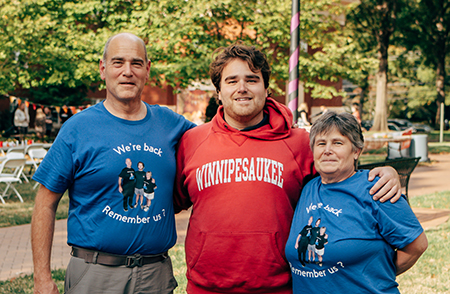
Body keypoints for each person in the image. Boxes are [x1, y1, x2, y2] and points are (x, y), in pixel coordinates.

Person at [174, 43, 402, 294]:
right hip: (206, 287)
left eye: (252, 79)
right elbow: (170, 203)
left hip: (279, 286)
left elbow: (342, 184)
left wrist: (385, 173)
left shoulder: (300, 143)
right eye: (231, 81)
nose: (242, 88)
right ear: (218, 91)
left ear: (266, 88)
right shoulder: (192, 141)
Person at [31, 32, 195, 294]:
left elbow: (216, 140)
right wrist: (42, 277)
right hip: (95, 274)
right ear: (103, 68)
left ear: (147, 70)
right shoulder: (78, 128)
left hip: (156, 275)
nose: (127, 71)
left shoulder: (171, 124)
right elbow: (45, 202)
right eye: (118, 62)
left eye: (136, 63)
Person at [285, 112, 428, 293]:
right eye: (321, 143)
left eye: (338, 143)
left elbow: (417, 245)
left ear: (356, 151)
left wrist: (378, 274)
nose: (327, 150)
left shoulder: (377, 189)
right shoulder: (307, 188)